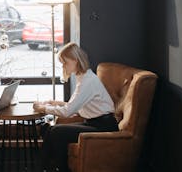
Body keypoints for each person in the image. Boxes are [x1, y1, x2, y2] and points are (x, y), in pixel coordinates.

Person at [33, 42, 118, 172]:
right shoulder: (83, 77)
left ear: (75, 60)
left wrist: (43, 109)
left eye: (65, 62)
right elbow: (76, 106)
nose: (63, 66)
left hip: (104, 126)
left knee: (56, 131)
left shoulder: (87, 81)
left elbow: (68, 112)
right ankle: (47, 168)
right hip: (93, 122)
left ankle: (50, 168)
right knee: (48, 129)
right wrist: (56, 103)